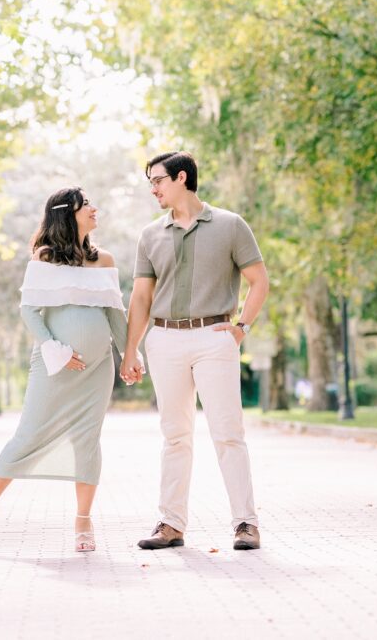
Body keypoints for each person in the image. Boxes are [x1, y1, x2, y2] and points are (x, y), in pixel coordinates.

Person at [0, 187, 140, 554]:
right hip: (52, 367)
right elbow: (30, 311)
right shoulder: (44, 257)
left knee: (87, 441)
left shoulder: (103, 260)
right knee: (27, 436)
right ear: (67, 213)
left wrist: (130, 354)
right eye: (86, 204)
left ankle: (83, 521)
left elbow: (114, 313)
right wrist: (55, 351)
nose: (95, 209)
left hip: (96, 370)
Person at [121, 151, 269, 551]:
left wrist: (240, 328)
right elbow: (140, 298)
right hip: (165, 340)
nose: (153, 188)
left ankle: (245, 524)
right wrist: (130, 350)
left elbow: (258, 281)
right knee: (175, 436)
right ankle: (170, 524)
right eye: (150, 182)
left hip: (213, 337)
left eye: (158, 180)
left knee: (228, 433)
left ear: (181, 178)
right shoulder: (150, 234)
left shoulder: (230, 225)